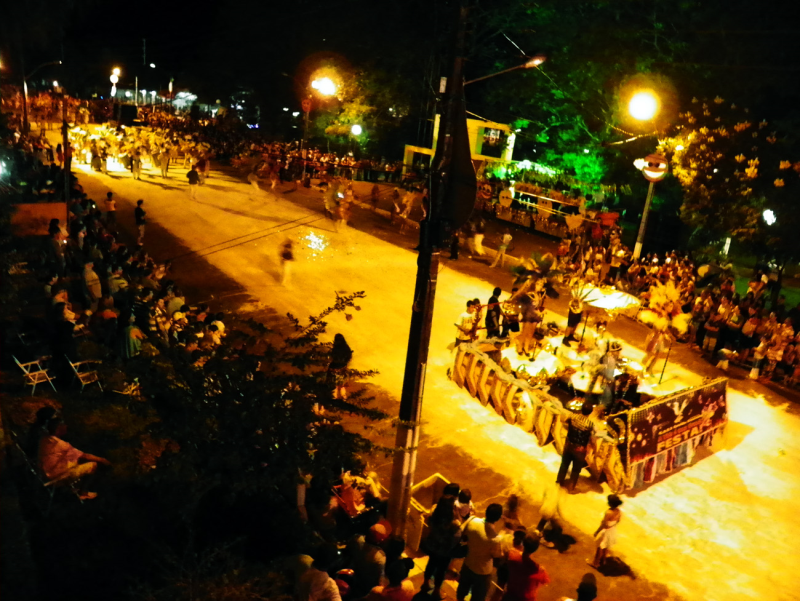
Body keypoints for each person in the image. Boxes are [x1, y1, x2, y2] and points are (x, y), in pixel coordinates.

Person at [38, 416, 111, 500]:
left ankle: (73, 489)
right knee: (93, 465)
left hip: (43, 475)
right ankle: (83, 493)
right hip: (56, 477)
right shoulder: (61, 444)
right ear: (58, 427)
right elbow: (84, 455)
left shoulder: (44, 440)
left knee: (75, 460)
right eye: (64, 424)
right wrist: (102, 460)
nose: (66, 426)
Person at [456, 503, 503, 601]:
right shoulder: (496, 539)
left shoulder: (472, 520)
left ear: (486, 512)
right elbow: (497, 555)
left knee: (461, 591)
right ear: (498, 518)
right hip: (483, 573)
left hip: (468, 564)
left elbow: (461, 532)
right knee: (478, 597)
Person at [421, 496, 461, 598]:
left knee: (431, 564)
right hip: (445, 551)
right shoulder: (454, 524)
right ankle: (436, 591)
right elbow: (457, 538)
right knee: (441, 570)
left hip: (433, 546)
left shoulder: (434, 517)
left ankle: (425, 583)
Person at [555, 401, 595, 493]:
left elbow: (563, 419)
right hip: (580, 449)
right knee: (576, 470)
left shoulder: (573, 417)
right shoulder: (590, 424)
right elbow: (592, 438)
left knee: (564, 465)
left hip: (569, 444)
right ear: (590, 412)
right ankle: (571, 487)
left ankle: (558, 482)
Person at [501, 535, 550, 601]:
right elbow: (545, 581)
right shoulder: (539, 570)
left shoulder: (512, 555)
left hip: (510, 596)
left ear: (523, 544)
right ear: (535, 549)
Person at [588, 494, 623, 569]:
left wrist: (597, 531)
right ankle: (603, 560)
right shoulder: (619, 511)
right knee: (606, 546)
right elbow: (618, 521)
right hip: (612, 530)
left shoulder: (609, 512)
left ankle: (595, 563)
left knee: (600, 547)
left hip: (606, 531)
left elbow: (604, 523)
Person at [329, 333, 353, 399]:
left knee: (336, 386)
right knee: (341, 386)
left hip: (334, 369)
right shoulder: (346, 348)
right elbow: (349, 357)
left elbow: (332, 357)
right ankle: (343, 399)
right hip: (342, 369)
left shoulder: (335, 348)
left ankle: (336, 400)